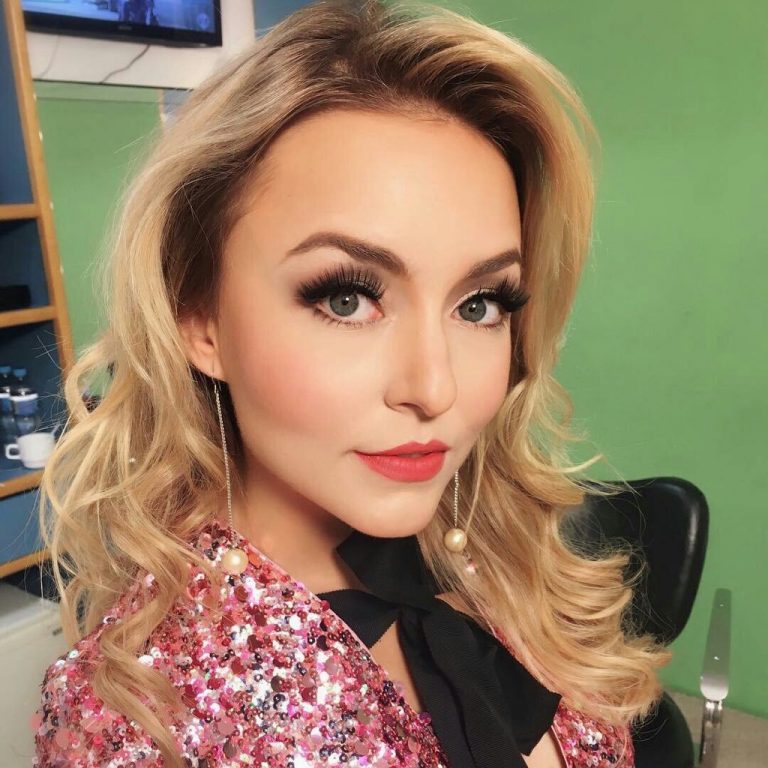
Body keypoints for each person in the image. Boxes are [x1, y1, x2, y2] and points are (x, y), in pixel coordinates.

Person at [31, 1, 672, 766]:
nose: (434, 388)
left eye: (479, 304)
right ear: (199, 318)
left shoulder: (495, 558)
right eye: (347, 298)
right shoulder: (143, 719)